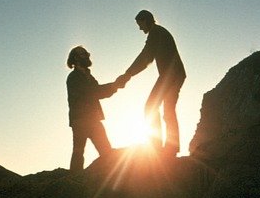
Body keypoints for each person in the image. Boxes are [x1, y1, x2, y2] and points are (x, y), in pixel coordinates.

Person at [117, 10, 186, 155]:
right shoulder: (159, 32)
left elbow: (145, 57)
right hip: (173, 75)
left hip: (170, 76)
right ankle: (170, 148)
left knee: (150, 107)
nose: (140, 28)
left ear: (146, 20)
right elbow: (147, 57)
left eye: (140, 24)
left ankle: (158, 146)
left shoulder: (156, 33)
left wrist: (127, 74)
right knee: (167, 110)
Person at [66, 46, 124, 172]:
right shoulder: (74, 77)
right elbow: (93, 92)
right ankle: (73, 182)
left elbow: (98, 92)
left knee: (106, 151)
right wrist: (115, 85)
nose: (87, 56)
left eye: (87, 53)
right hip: (81, 120)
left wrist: (115, 86)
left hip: (93, 119)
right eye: (83, 54)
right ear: (75, 58)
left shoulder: (88, 77)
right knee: (78, 153)